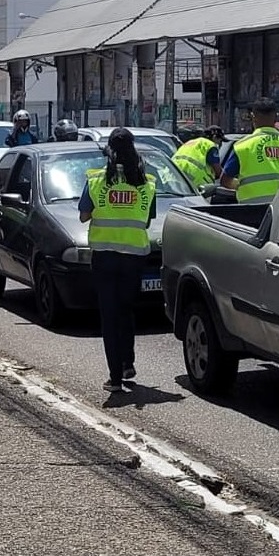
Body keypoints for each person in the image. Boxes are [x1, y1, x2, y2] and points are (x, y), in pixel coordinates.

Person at [78, 127, 157, 394]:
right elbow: (146, 220)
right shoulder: (146, 183)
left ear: (108, 150)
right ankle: (127, 363)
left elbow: (84, 216)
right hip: (134, 257)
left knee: (109, 316)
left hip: (105, 256)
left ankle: (114, 377)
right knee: (126, 310)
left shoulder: (96, 180)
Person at [221, 98, 279, 203]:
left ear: (253, 117)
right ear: (276, 117)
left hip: (252, 211)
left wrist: (241, 185)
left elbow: (225, 180)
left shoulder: (243, 147)